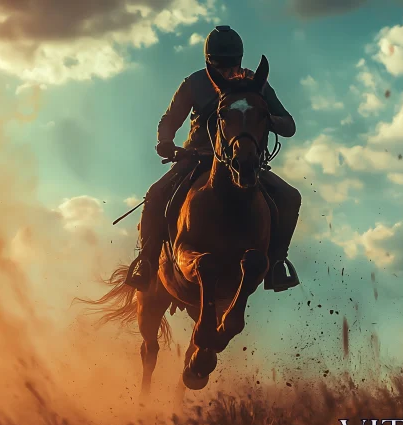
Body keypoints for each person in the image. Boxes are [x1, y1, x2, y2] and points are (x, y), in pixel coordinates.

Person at [125, 25, 302, 293]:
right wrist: (166, 143)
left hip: (244, 162)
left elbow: (288, 125)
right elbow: (170, 119)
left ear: (240, 60)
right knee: (155, 195)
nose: (226, 70)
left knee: (290, 197)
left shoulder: (257, 84)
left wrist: (264, 116)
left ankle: (276, 263)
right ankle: (147, 262)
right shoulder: (194, 83)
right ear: (209, 61)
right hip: (196, 158)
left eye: (231, 64)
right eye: (220, 64)